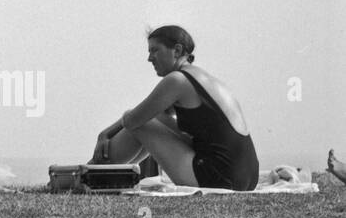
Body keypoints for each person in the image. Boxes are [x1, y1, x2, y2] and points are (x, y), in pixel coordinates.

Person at [91, 25, 260, 190]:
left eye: (155, 50)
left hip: (218, 176)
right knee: (155, 118)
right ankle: (94, 172)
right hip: (247, 176)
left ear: (177, 51)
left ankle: (90, 173)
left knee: (139, 122)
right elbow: (153, 115)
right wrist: (106, 133)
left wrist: (107, 133)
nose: (149, 58)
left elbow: (133, 120)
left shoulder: (177, 80)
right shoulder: (203, 78)